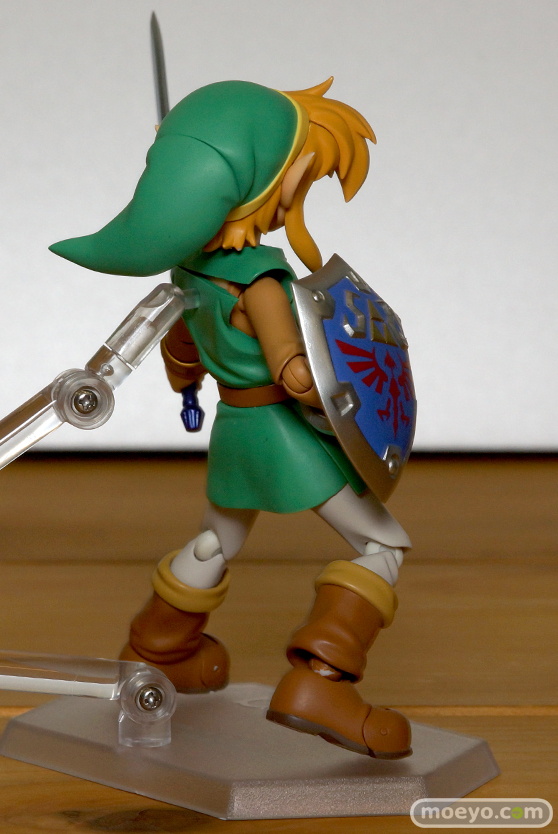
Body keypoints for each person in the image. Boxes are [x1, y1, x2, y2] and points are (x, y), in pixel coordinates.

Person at [50, 77, 412, 759]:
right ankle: (324, 682)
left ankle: (157, 650)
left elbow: (183, 350)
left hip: (233, 431)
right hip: (281, 433)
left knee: (216, 542)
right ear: (270, 185)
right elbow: (293, 370)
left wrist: (187, 383)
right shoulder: (261, 280)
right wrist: (334, 396)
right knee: (382, 545)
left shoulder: (190, 273)